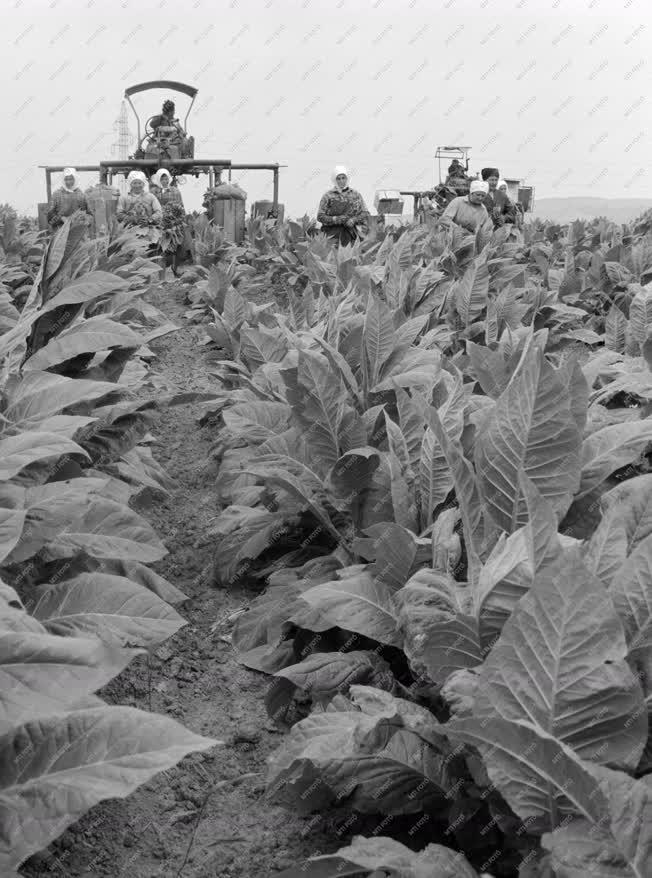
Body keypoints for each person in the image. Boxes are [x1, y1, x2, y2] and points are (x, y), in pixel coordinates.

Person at [150, 170, 191, 274]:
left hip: (175, 223)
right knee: (161, 248)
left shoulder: (175, 190)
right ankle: (161, 272)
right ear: (158, 180)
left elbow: (181, 205)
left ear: (169, 179)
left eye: (166, 178)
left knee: (177, 247)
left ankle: (175, 269)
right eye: (162, 179)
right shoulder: (154, 191)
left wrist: (181, 219)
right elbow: (153, 207)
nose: (165, 181)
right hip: (161, 224)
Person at [317, 165, 369, 246]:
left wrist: (353, 220)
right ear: (334, 180)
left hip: (350, 233)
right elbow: (320, 216)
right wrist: (336, 219)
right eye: (338, 178)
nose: (341, 181)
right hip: (331, 234)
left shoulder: (356, 195)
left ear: (347, 178)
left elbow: (365, 213)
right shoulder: (328, 196)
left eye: (343, 178)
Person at [441, 179, 494, 251]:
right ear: (471, 193)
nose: (480, 198)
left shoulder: (483, 211)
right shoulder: (458, 202)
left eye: (483, 196)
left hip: (469, 246)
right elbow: (444, 220)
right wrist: (460, 230)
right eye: (478, 195)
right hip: (450, 242)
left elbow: (484, 232)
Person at [116, 171, 162, 243]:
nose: (137, 186)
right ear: (130, 184)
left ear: (143, 184)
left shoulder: (150, 196)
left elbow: (159, 212)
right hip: (129, 231)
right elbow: (119, 214)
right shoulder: (124, 197)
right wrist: (133, 219)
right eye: (134, 183)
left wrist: (149, 220)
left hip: (148, 230)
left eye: (140, 183)